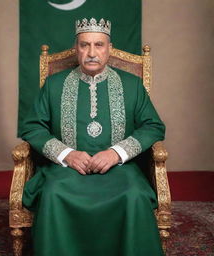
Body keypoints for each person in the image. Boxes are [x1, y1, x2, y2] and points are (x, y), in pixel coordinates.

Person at [22, 18, 165, 256]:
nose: (91, 52)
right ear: (75, 48)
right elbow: (32, 127)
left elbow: (153, 126)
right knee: (52, 193)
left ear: (109, 49)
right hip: (66, 170)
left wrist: (116, 153)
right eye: (84, 45)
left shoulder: (133, 85)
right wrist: (66, 154)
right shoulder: (54, 84)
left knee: (134, 195)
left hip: (121, 169)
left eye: (98, 45)